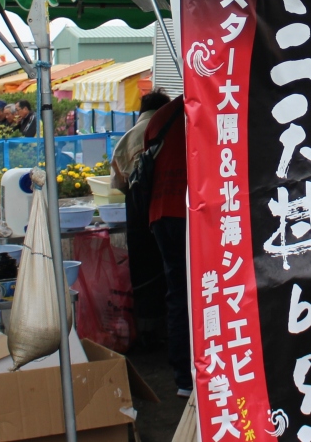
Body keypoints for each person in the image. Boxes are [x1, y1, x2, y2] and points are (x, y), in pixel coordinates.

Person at [111, 91, 173, 348]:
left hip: (138, 215)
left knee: (143, 271)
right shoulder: (174, 130)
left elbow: (118, 184)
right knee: (170, 273)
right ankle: (171, 333)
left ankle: (146, 333)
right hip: (172, 211)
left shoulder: (126, 139)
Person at [145, 95, 190, 397]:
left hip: (160, 214)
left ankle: (183, 378)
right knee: (205, 293)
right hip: (192, 214)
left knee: (177, 293)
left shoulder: (160, 116)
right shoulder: (209, 109)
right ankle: (198, 373)